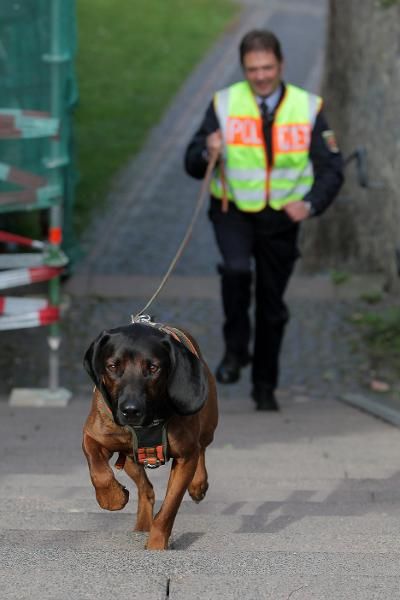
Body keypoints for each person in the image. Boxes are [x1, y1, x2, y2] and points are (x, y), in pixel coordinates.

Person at [184, 30, 344, 411]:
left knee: (272, 307)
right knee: (236, 271)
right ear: (243, 68)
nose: (260, 76)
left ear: (281, 64)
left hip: (281, 219)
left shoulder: (307, 107)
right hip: (233, 211)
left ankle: (265, 387)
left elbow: (332, 168)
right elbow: (191, 162)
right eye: (252, 69)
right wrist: (208, 150)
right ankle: (236, 350)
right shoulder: (224, 104)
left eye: (267, 67)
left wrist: (310, 204)